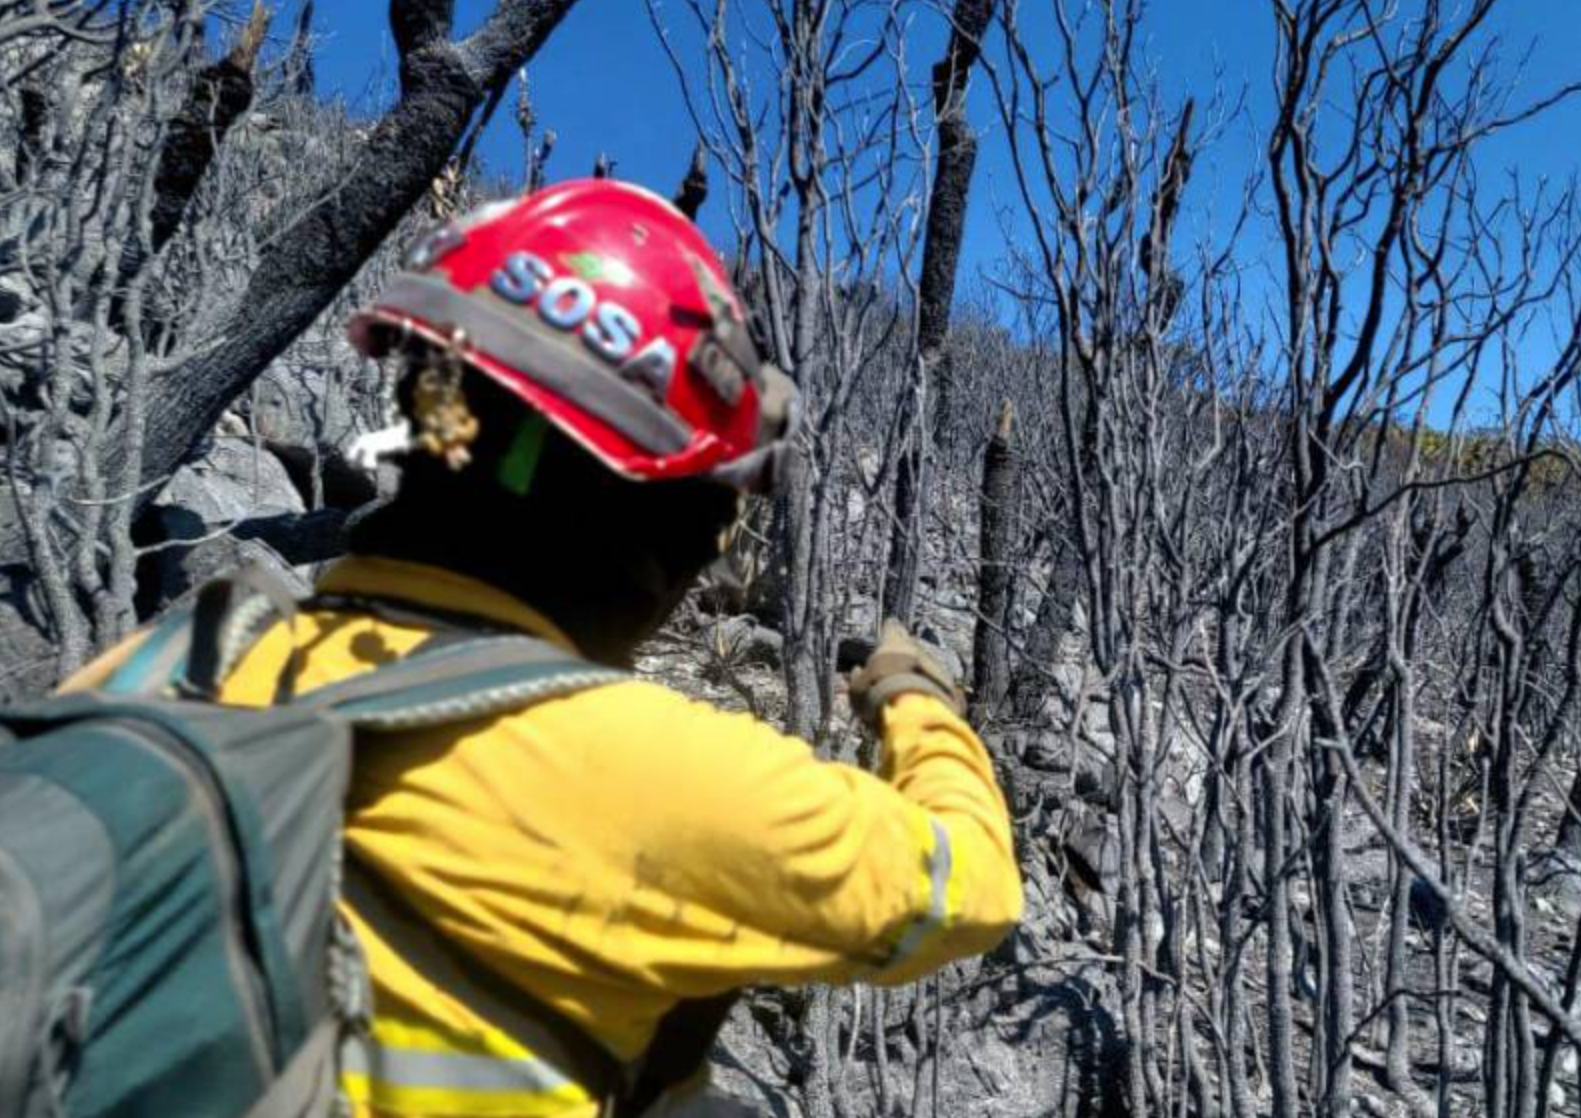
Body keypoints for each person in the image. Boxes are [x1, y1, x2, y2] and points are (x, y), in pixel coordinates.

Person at [66, 178, 1022, 1117]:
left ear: (427, 429)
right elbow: (971, 887)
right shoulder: (674, 781)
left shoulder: (177, 664)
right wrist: (916, 701)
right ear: (670, 529)